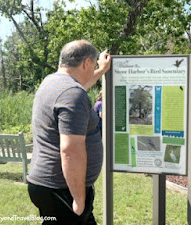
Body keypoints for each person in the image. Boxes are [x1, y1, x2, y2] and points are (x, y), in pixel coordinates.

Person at [27, 40, 111, 225]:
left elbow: (82, 84)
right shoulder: (73, 93)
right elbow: (70, 151)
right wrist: (79, 199)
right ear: (86, 63)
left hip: (47, 185)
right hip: (63, 190)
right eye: (94, 63)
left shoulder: (52, 82)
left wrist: (102, 70)